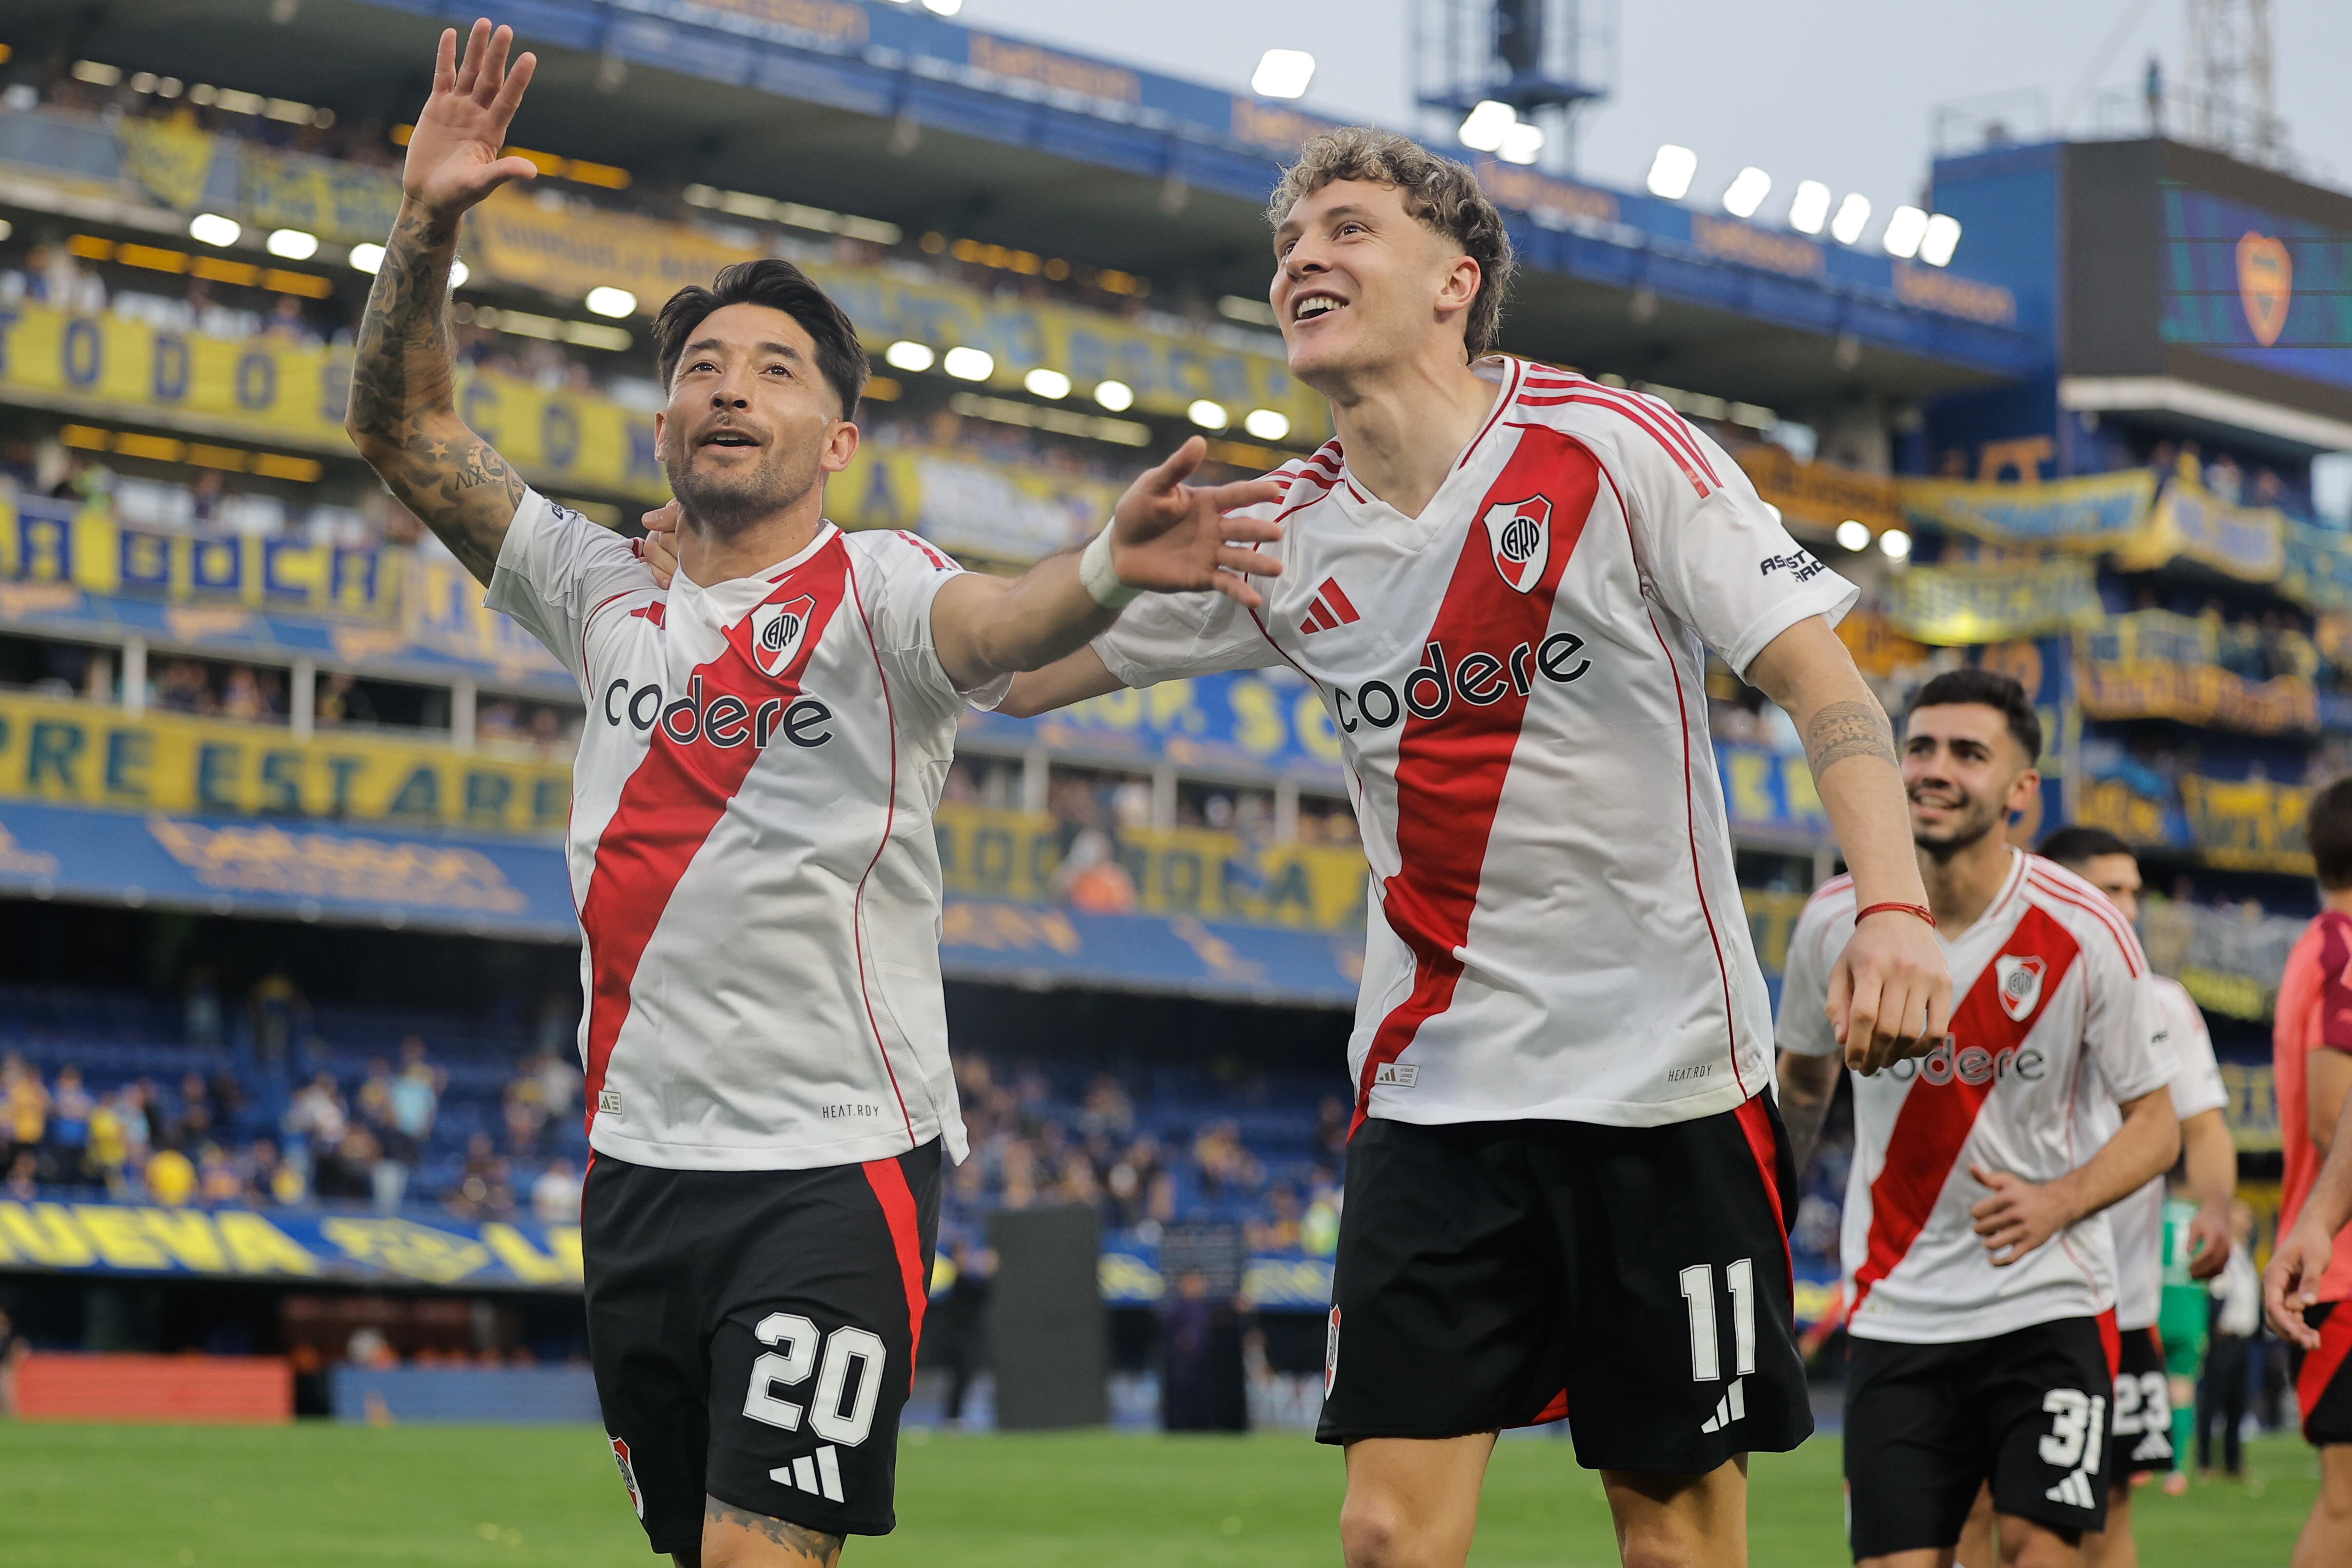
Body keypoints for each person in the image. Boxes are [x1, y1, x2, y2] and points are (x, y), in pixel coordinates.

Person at [730, 124, 1947, 1568]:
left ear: (1455, 278)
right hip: (1432, 1100)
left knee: (1675, 1540)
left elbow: (1825, 686)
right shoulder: (1279, 529)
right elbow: (1001, 664)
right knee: (1381, 1536)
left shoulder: (1609, 450)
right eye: (1287, 244)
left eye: (1347, 229)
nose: (1301, 256)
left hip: (1666, 1086)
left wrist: (1891, 910)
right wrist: (779, 583)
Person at [347, 23, 1282, 1568]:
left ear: (836, 440)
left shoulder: (885, 597)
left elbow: (1006, 626)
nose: (728, 389)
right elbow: (403, 430)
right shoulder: (597, 594)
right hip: (635, 1170)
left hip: (834, 1165)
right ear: (661, 425)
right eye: (700, 369)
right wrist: (430, 219)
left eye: (774, 371)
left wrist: (1109, 566)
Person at [1778, 670, 2179, 1568]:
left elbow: (2158, 1123)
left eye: (1968, 752)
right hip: (1895, 1311)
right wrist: (1760, 1208)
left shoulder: (2083, 928)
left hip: (2047, 1303)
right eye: (1918, 747)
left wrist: (2060, 1198)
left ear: (2021, 791)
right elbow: (1801, 1085)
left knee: (2041, 1548)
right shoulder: (1833, 921)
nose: (1934, 768)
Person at [2033, 825, 2233, 1562]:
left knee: (2111, 1501)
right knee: (1996, 1503)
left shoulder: (2165, 1002)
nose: (2127, 907)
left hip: (2125, 1298)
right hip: (2016, 1291)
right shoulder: (2004, 978)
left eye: (2133, 893)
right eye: (2108, 889)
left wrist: (2215, 1208)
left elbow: (2204, 1128)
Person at [2258, 775, 2352, 1568]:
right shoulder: (2344, 946)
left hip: (2329, 1260)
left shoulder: (2317, 941)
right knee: (2347, 1501)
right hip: (2343, 1271)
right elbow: (2333, 1117)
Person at [2201, 1200, 2259, 1480]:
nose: (2247, 1220)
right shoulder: (2224, 1253)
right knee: (2212, 1402)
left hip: (2243, 1341)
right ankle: (2205, 1463)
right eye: (2242, 1214)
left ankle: (2233, 1463)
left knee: (2237, 1404)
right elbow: (2215, 1297)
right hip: (2222, 1339)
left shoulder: (2245, 1256)